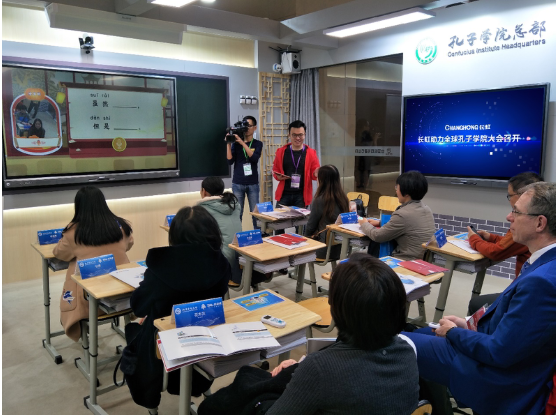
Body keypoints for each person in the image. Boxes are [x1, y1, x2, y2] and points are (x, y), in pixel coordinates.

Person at [199, 253, 419, 414]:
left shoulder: (320, 369)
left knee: (243, 387)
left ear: (338, 309)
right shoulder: (407, 351)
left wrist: (304, 371)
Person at [404, 182, 556, 415]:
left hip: (499, 375)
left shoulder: (541, 282)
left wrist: (454, 333)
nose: (509, 217)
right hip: (501, 353)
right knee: (421, 333)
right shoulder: (544, 263)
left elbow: (499, 352)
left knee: (401, 343)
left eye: (516, 212)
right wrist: (468, 326)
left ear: (539, 223)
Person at [125, 206, 230, 410]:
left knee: (135, 330)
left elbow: (138, 307)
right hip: (207, 341)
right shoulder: (221, 263)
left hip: (163, 347)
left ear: (174, 236)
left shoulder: (161, 266)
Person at [53, 186, 134, 342]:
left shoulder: (73, 232)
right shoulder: (121, 226)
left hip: (89, 296)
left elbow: (59, 254)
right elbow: (128, 245)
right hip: (122, 291)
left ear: (79, 207)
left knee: (74, 267)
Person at [465, 171, 543, 314]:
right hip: (521, 290)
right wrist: (491, 237)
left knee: (476, 304)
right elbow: (513, 243)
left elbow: (496, 251)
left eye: (516, 211)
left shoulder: (528, 226)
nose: (509, 217)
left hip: (520, 294)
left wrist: (473, 238)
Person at [358, 170, 435, 260]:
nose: (396, 190)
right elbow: (409, 225)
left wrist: (364, 223)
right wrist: (380, 223)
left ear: (406, 193)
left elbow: (377, 236)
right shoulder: (426, 209)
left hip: (405, 260)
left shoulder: (403, 214)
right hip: (423, 260)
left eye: (397, 187)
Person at [196, 176, 242, 286]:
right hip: (240, 257)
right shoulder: (235, 204)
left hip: (222, 261)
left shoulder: (202, 209)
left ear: (204, 191)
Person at [273, 120, 320, 209]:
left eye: (300, 135)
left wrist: (317, 173)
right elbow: (275, 170)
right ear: (289, 135)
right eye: (294, 135)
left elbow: (314, 175)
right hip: (284, 193)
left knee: (300, 218)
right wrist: (277, 176)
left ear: (305, 135)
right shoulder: (281, 152)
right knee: (279, 217)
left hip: (301, 195)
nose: (297, 138)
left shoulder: (311, 153)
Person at [305, 165, 349, 260]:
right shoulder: (343, 198)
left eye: (318, 178)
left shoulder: (320, 199)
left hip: (323, 249)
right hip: (342, 249)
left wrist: (303, 239)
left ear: (322, 180)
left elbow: (310, 227)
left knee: (298, 248)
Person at [226, 115, 263, 229]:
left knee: (255, 214)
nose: (246, 128)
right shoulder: (236, 144)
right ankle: (237, 236)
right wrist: (228, 143)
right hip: (238, 183)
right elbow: (230, 161)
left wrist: (243, 143)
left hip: (253, 183)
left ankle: (257, 235)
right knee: (238, 213)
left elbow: (254, 158)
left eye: (249, 126)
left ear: (255, 128)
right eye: (244, 126)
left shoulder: (258, 144)